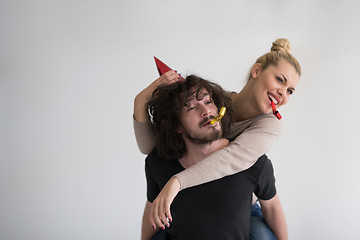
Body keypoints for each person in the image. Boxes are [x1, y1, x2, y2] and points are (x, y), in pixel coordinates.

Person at [134, 38, 301, 238]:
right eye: (280, 80)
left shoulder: (269, 127)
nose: (283, 93)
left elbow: (232, 158)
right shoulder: (215, 101)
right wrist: (142, 99)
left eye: (290, 90)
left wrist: (176, 182)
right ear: (256, 71)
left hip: (244, 208)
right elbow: (152, 147)